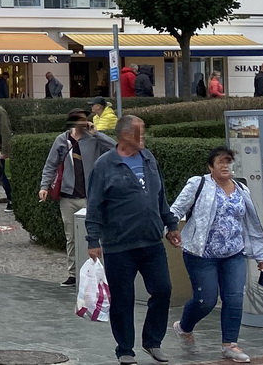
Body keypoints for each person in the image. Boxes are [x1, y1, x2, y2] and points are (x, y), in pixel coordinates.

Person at [86, 115, 181, 365]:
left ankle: (152, 341)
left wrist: (171, 224)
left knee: (163, 290)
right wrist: (92, 240)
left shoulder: (149, 159)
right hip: (119, 245)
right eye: (142, 132)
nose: (145, 136)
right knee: (123, 299)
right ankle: (125, 349)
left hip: (151, 242)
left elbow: (160, 196)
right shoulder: (105, 165)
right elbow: (94, 204)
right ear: (126, 135)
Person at [169, 146, 263, 363]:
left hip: (234, 253)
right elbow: (176, 209)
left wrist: (261, 255)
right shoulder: (199, 184)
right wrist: (170, 229)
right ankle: (184, 327)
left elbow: (251, 223)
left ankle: (229, 344)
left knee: (234, 298)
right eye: (220, 162)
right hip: (201, 253)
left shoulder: (242, 188)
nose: (225, 166)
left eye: (228, 162)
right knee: (206, 300)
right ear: (210, 166)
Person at [39, 110, 116, 287]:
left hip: (90, 196)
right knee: (71, 237)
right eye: (79, 120)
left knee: (94, 234)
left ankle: (99, 272)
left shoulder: (93, 138)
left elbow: (115, 148)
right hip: (68, 197)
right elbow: (50, 165)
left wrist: (97, 133)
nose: (83, 123)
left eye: (84, 119)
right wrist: (44, 187)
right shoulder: (61, 140)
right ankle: (73, 273)